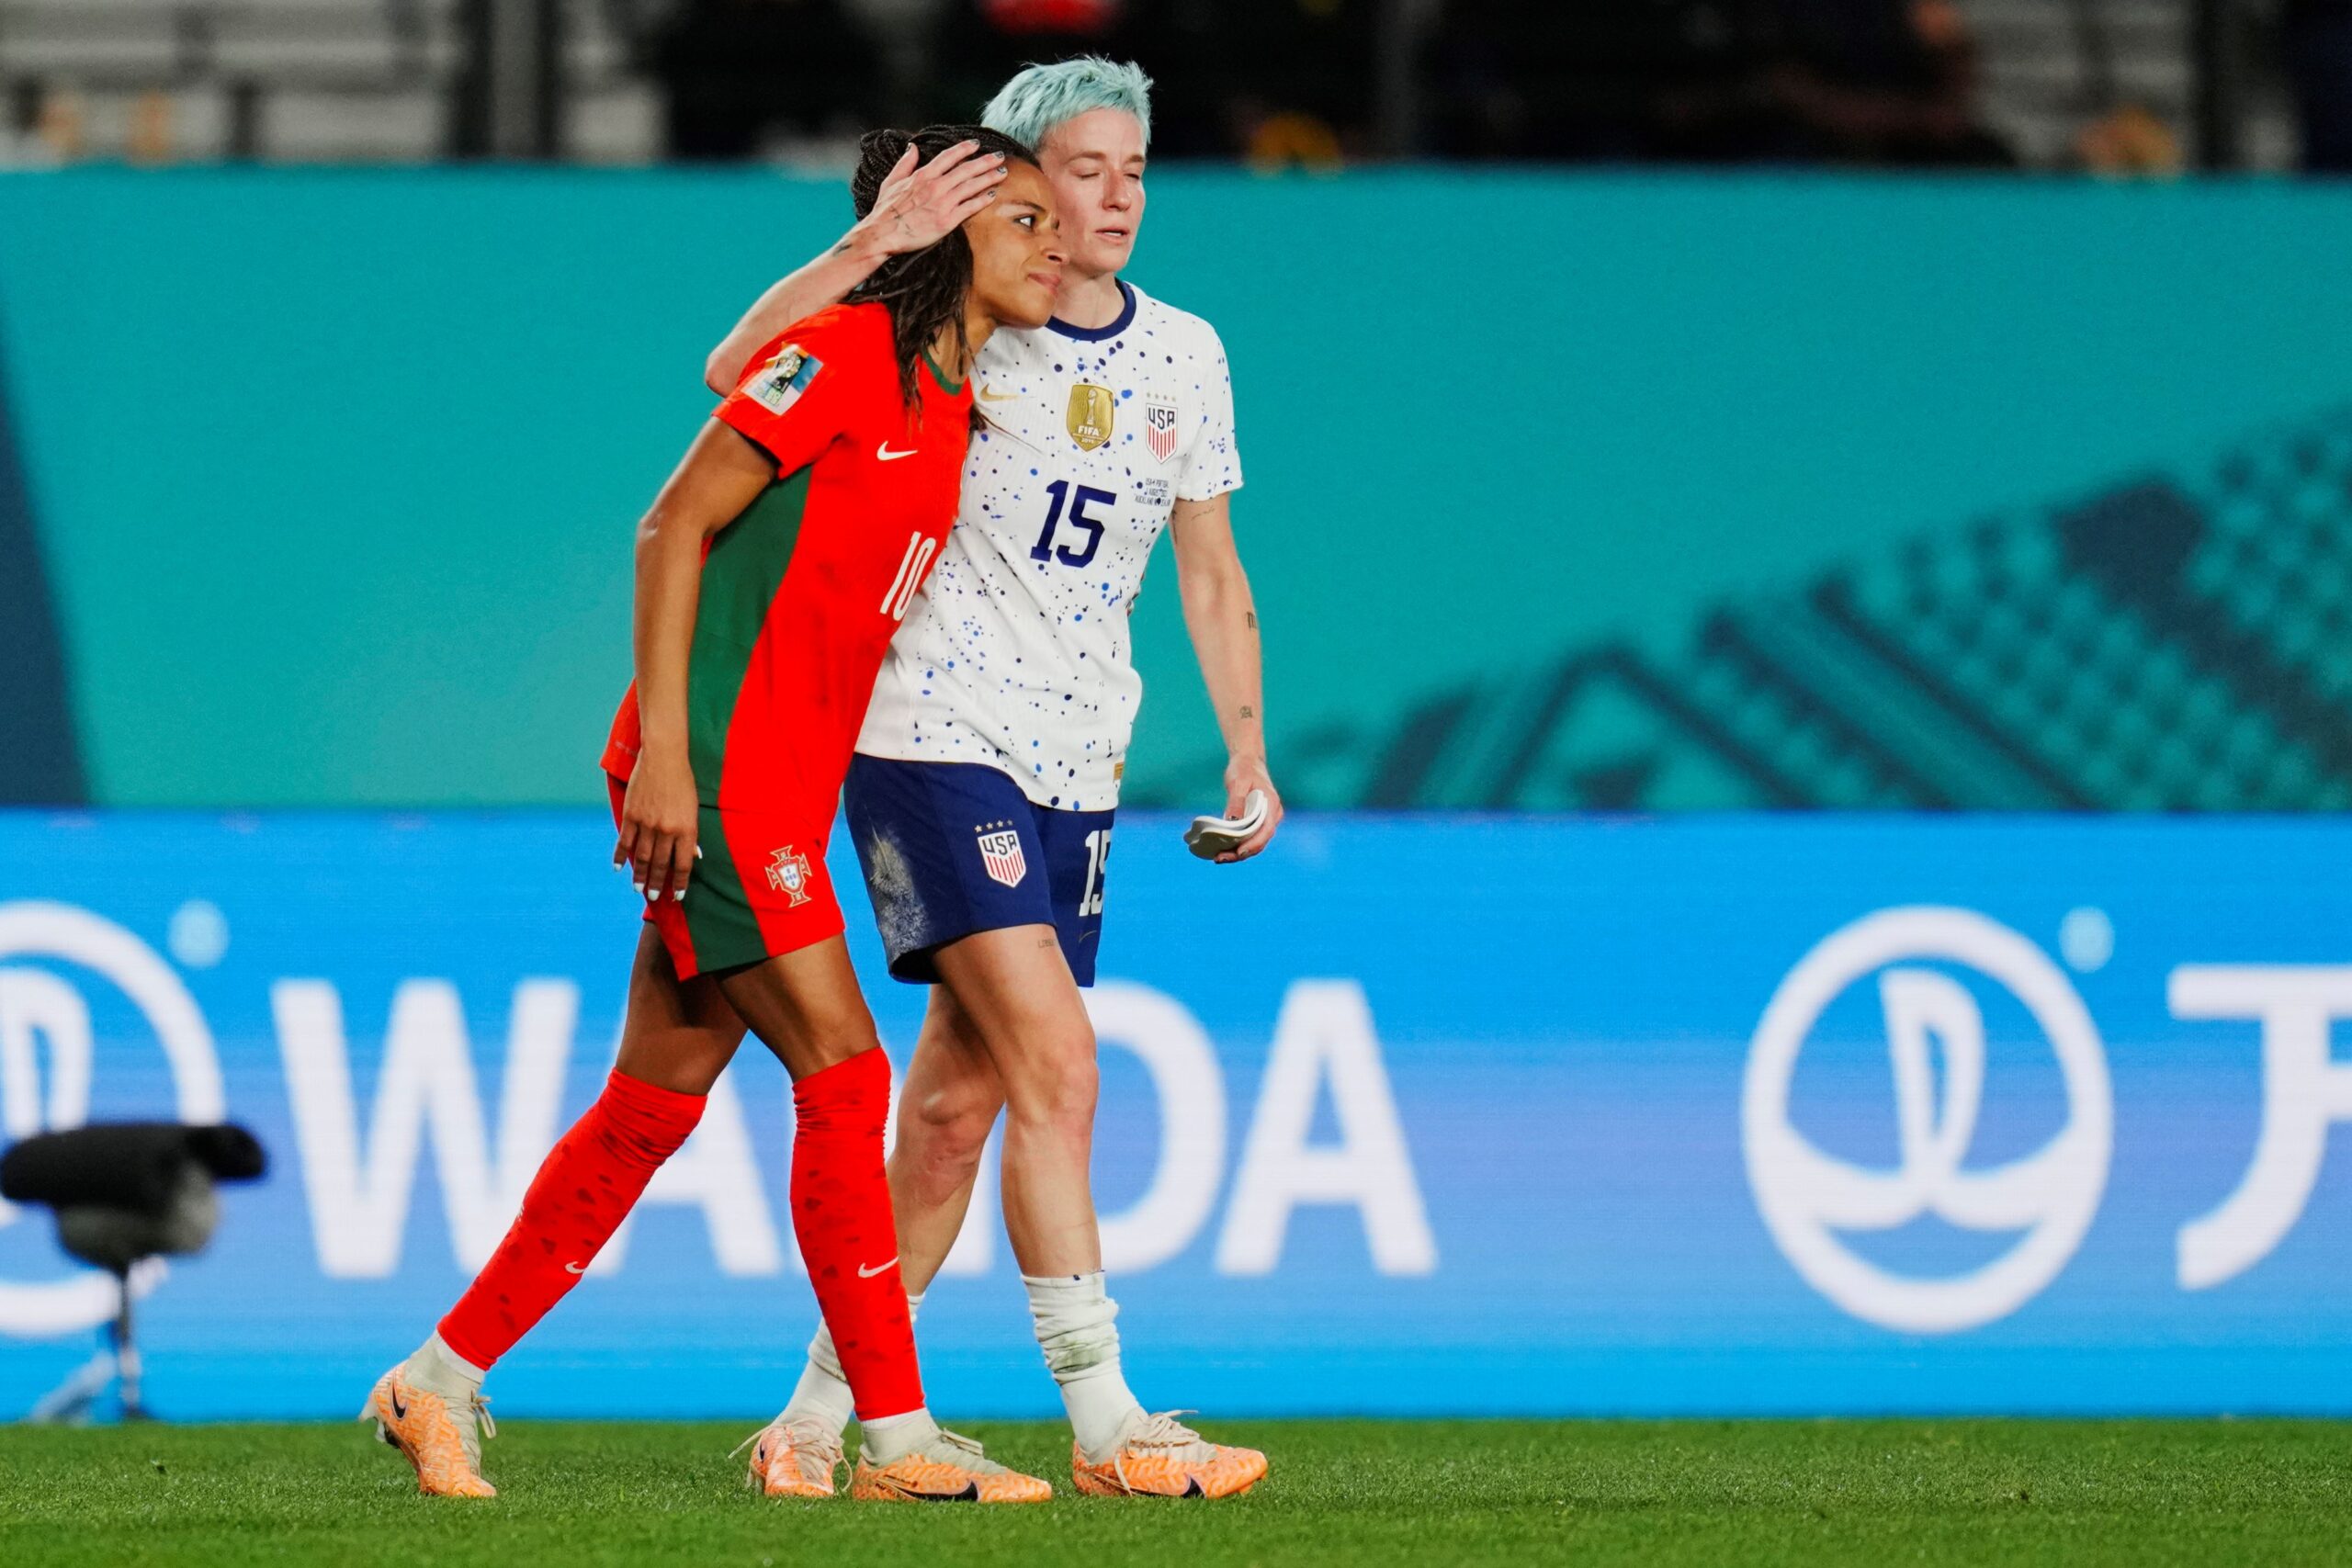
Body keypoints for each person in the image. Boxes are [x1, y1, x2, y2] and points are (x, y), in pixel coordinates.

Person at [360, 123, 1068, 1505]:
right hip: (724, 781)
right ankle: (892, 1441)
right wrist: (671, 759)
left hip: (783, 782)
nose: (1050, 245)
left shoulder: (951, 397)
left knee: (651, 1104)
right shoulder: (856, 353)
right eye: (1023, 220)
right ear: (948, 234)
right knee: (848, 1074)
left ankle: (435, 1381)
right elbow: (670, 523)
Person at [705, 58, 1277, 1500]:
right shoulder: (954, 323)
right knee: (1059, 1064)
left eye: (1135, 171)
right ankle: (1109, 1422)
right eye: (1086, 169)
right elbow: (739, 378)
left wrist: (1248, 750)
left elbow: (1209, 570)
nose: (1116, 197)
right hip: (930, 734)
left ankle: (815, 1422)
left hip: (1080, 755)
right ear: (1014, 184)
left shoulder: (1187, 356)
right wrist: (872, 246)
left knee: (957, 1108)